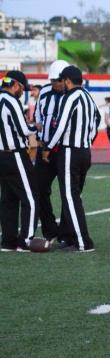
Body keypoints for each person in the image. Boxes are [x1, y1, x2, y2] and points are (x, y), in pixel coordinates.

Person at [44, 65, 101, 252]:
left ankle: (83, 242)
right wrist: (88, 141)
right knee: (74, 196)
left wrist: (48, 147)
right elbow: (96, 121)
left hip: (70, 151)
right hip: (85, 151)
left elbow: (61, 126)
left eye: (63, 81)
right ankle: (69, 237)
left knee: (70, 197)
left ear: (68, 81)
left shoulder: (70, 97)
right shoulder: (88, 97)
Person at [0, 70, 39, 252]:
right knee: (30, 198)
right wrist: (37, 127)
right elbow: (24, 130)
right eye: (22, 88)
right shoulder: (11, 101)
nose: (22, 92)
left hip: (1, 156)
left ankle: (8, 241)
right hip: (14, 154)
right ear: (15, 85)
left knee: (8, 199)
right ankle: (25, 240)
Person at [34, 59, 70, 246]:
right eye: (53, 80)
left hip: (65, 150)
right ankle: (50, 230)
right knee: (38, 188)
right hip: (45, 149)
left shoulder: (76, 95)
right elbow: (38, 116)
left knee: (68, 192)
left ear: (67, 79)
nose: (55, 83)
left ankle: (65, 233)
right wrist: (39, 138)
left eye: (58, 80)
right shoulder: (44, 93)